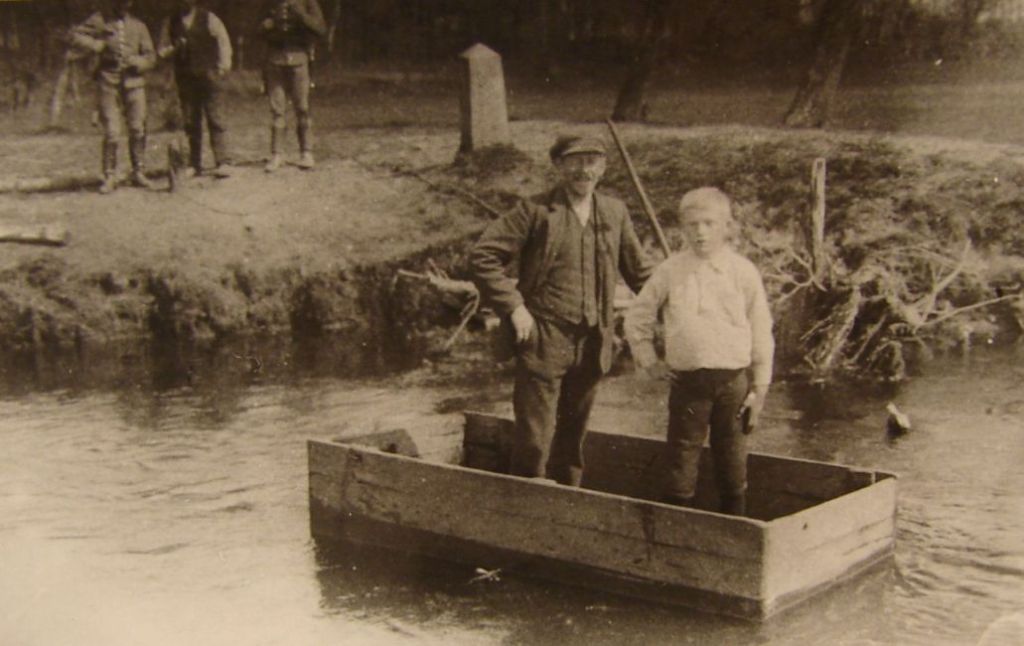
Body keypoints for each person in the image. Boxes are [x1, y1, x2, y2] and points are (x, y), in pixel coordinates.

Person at [470, 135, 653, 487]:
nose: (583, 170)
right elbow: (483, 256)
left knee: (573, 434)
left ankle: (569, 505)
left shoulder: (614, 212)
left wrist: (678, 302)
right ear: (558, 166)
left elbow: (641, 274)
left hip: (593, 340)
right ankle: (526, 508)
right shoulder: (535, 211)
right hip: (543, 337)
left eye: (592, 161)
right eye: (574, 161)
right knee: (535, 437)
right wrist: (514, 307)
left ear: (603, 168)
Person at [623, 187, 774, 516]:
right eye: (692, 225)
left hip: (734, 382)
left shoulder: (743, 272)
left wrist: (759, 388)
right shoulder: (670, 270)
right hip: (688, 383)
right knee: (682, 458)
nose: (700, 232)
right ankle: (678, 530)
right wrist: (649, 360)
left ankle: (737, 528)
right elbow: (637, 315)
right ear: (682, 228)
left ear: (726, 226)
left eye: (709, 223)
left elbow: (762, 330)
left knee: (733, 457)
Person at [70, 0, 156, 194]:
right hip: (108, 82)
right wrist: (95, 45)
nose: (122, 5)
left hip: (134, 84)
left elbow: (151, 57)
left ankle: (139, 171)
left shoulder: (139, 26)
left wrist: (139, 62)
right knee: (112, 131)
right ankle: (109, 175)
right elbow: (75, 35)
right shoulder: (99, 20)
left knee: (137, 128)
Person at [157, 0, 234, 179]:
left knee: (215, 117)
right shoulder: (170, 22)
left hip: (209, 76)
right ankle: (194, 163)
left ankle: (223, 161)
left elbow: (223, 41)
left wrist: (223, 65)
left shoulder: (209, 18)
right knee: (191, 120)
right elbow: (161, 50)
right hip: (185, 78)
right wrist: (173, 48)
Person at [258, 0, 326, 172]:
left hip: (299, 59)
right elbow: (256, 30)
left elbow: (320, 29)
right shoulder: (270, 4)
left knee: (302, 107)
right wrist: (266, 26)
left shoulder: (308, 2)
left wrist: (301, 15)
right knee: (277, 110)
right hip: (275, 60)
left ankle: (306, 152)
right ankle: (277, 154)